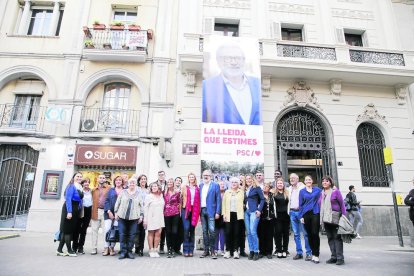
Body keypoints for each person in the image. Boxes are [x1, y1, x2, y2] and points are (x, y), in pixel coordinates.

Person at [202, 43, 261, 125]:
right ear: (219, 62)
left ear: (244, 61)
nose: (233, 62)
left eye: (238, 58)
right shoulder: (206, 87)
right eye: (228, 58)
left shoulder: (258, 84)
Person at [320, 176, 347, 266]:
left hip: (335, 218)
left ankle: (340, 258)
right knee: (330, 238)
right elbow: (319, 205)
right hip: (326, 219)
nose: (324, 182)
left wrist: (344, 216)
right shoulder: (321, 193)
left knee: (337, 238)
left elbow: (342, 204)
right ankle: (333, 256)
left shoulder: (336, 192)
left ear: (330, 183)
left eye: (326, 181)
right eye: (323, 181)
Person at [115, 177, 143, 259]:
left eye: (133, 183)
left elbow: (141, 206)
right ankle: (123, 252)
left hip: (134, 218)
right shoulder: (123, 192)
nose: (132, 184)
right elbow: (117, 203)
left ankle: (129, 251)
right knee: (122, 234)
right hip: (122, 217)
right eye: (130, 183)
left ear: (136, 184)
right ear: (128, 184)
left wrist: (141, 216)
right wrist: (116, 212)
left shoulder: (139, 194)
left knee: (132, 235)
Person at [56, 172, 83, 257]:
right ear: (74, 177)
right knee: (68, 231)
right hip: (69, 208)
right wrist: (69, 212)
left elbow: (80, 200)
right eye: (77, 176)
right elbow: (68, 199)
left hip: (75, 210)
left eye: (80, 177)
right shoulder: (71, 186)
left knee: (66, 230)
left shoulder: (79, 186)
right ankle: (69, 250)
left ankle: (59, 250)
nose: (79, 178)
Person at [287, 173, 312, 261]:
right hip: (292, 212)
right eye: (290, 178)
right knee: (296, 234)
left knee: (305, 233)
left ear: (298, 179)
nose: (292, 179)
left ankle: (309, 253)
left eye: (294, 178)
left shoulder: (302, 187)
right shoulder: (289, 189)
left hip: (301, 213)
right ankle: (299, 253)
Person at [299, 175, 322, 264]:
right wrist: (301, 216)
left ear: (312, 181)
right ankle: (313, 253)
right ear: (304, 182)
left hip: (315, 213)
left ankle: (316, 254)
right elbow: (300, 204)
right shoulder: (302, 191)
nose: (308, 181)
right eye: (306, 180)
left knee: (315, 233)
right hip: (305, 214)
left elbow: (326, 191)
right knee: (309, 234)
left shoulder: (317, 190)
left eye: (309, 179)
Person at [199, 169, 221, 259]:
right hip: (202, 211)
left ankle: (212, 250)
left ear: (211, 176)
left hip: (211, 211)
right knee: (204, 231)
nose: (205, 176)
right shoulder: (200, 185)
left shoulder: (215, 185)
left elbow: (218, 200)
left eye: (207, 175)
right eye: (204, 175)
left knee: (212, 231)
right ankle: (206, 250)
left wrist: (217, 212)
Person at [222, 177, 244, 259]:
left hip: (238, 215)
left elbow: (244, 203)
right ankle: (227, 251)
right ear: (230, 183)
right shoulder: (227, 192)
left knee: (236, 233)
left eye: (235, 182)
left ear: (238, 184)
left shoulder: (241, 192)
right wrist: (223, 214)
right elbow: (223, 204)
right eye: (232, 182)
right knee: (228, 233)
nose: (234, 183)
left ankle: (235, 251)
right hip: (228, 215)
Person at [244, 174, 265, 261]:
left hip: (254, 212)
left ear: (252, 179)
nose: (248, 180)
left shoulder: (257, 188)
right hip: (246, 212)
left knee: (253, 231)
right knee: (248, 232)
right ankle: (251, 251)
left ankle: (256, 251)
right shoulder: (245, 189)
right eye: (247, 179)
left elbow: (263, 199)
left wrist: (259, 210)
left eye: (250, 178)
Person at [90, 174, 111, 255]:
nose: (102, 179)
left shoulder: (109, 189)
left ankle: (105, 248)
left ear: (105, 179)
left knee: (105, 231)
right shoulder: (94, 190)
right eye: (100, 178)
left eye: (103, 178)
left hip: (105, 212)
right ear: (97, 179)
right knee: (94, 231)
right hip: (96, 211)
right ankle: (94, 248)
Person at [103, 176, 124, 256]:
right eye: (117, 180)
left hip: (119, 215)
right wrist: (108, 211)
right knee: (107, 230)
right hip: (109, 213)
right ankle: (106, 248)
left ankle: (112, 248)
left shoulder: (125, 191)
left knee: (115, 231)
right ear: (114, 182)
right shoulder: (111, 190)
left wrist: (117, 214)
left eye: (120, 180)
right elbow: (107, 201)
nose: (118, 181)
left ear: (122, 182)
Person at [181, 173, 201, 257]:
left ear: (195, 178)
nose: (191, 178)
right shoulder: (184, 187)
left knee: (192, 230)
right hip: (186, 209)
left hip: (195, 210)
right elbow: (181, 198)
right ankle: (185, 249)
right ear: (188, 178)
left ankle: (191, 250)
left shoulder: (198, 188)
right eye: (190, 177)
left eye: (193, 177)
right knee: (186, 229)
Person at [144, 182, 165, 258]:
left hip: (160, 217)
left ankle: (155, 250)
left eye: (155, 186)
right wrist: (145, 220)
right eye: (152, 186)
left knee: (158, 233)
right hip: (151, 217)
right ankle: (151, 250)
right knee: (151, 233)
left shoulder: (161, 196)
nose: (154, 187)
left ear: (158, 187)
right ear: (151, 188)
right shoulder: (148, 196)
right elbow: (145, 208)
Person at [72, 178, 92, 255]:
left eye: (88, 182)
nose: (87, 183)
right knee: (77, 229)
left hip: (88, 211)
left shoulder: (91, 191)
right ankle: (74, 246)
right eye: (85, 182)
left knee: (84, 230)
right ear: (82, 184)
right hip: (81, 211)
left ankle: (81, 247)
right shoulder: (79, 190)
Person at [163, 178, 181, 258]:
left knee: (174, 232)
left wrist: (179, 212)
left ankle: (173, 248)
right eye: (168, 182)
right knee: (168, 232)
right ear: (167, 183)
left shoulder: (177, 192)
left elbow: (179, 202)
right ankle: (169, 249)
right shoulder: (164, 192)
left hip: (175, 213)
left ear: (173, 183)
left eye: (171, 182)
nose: (170, 183)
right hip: (166, 214)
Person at [258, 182, 275, 259]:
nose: (265, 187)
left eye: (267, 186)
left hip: (271, 218)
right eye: (264, 186)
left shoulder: (272, 195)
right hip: (261, 218)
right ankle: (261, 251)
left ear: (269, 188)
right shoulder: (259, 196)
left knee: (269, 235)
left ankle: (269, 252)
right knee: (261, 235)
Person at [274, 178, 290, 259]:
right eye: (278, 183)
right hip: (277, 216)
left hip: (286, 216)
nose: (280, 184)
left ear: (283, 184)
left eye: (281, 183)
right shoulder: (273, 193)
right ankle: (279, 250)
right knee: (278, 233)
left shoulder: (287, 192)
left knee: (286, 234)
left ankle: (285, 250)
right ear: (276, 185)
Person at [152, 170, 167, 254]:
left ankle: (161, 246)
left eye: (162, 175)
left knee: (163, 229)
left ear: (165, 175)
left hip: (165, 209)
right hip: (155, 209)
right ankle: (154, 247)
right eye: (159, 175)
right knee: (154, 228)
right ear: (157, 176)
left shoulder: (168, 184)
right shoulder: (153, 184)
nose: (161, 176)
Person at [134, 174, 149, 256]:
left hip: (145, 213)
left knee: (143, 232)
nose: (143, 180)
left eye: (144, 179)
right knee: (136, 231)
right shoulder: (136, 189)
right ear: (139, 181)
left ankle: (141, 249)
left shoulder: (148, 190)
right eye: (142, 179)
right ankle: (136, 246)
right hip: (136, 213)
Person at [215, 181, 226, 256]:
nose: (222, 185)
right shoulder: (215, 193)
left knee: (222, 233)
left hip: (224, 216)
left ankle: (222, 250)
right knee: (216, 233)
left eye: (223, 184)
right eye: (220, 184)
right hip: (216, 215)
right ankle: (215, 249)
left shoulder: (227, 193)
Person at [174, 177, 184, 255]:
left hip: (182, 213)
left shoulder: (183, 190)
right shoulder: (171, 190)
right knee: (174, 231)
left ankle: (178, 248)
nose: (178, 182)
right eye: (177, 180)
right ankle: (173, 248)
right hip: (174, 213)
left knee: (181, 232)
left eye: (180, 181)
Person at [238, 174, 247, 257]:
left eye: (242, 179)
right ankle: (235, 249)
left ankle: (242, 250)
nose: (241, 180)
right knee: (237, 231)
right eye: (239, 179)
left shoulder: (247, 190)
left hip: (245, 213)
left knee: (242, 233)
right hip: (237, 213)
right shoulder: (236, 189)